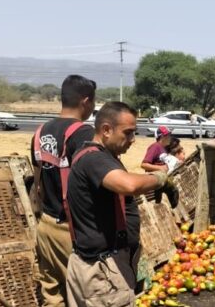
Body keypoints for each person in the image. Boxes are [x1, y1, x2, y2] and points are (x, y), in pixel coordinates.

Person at [65, 102, 178, 306]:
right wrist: (161, 178)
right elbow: (129, 185)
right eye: (128, 133)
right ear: (107, 130)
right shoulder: (95, 160)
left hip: (95, 265)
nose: (133, 140)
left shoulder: (96, 156)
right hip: (103, 272)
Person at [30, 74, 96, 307]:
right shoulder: (84, 134)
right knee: (84, 294)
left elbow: (38, 180)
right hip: (72, 231)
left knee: (52, 293)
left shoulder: (39, 133)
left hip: (45, 226)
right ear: (86, 101)